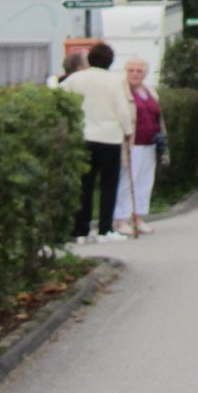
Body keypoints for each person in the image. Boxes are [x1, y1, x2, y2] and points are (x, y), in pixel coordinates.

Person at [61, 41, 132, 244]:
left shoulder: (76, 79)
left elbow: (59, 95)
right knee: (109, 185)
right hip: (110, 138)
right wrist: (128, 132)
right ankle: (104, 229)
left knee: (85, 185)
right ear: (110, 61)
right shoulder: (114, 82)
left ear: (90, 59)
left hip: (84, 136)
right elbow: (123, 110)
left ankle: (81, 230)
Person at [113, 58, 166, 237]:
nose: (134, 74)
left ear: (145, 74)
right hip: (132, 143)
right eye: (131, 70)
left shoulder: (150, 90)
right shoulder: (121, 91)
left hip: (150, 143)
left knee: (145, 181)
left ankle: (139, 217)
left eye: (139, 71)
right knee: (128, 181)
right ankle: (121, 219)